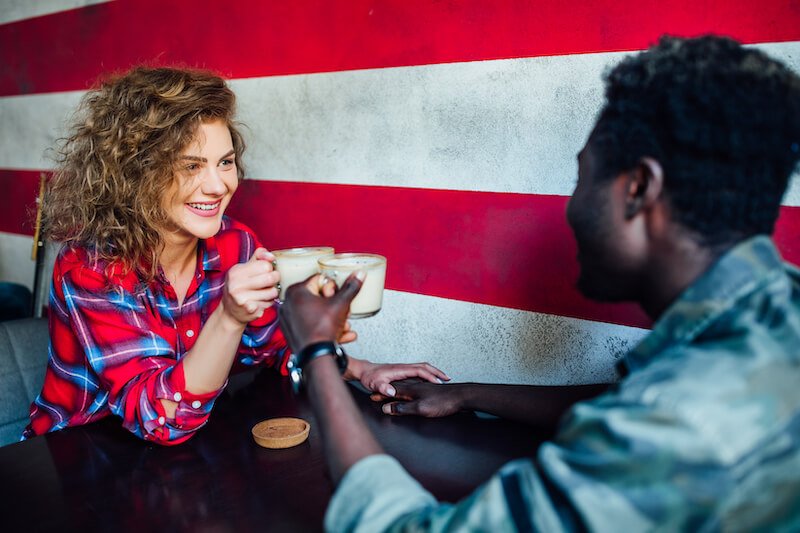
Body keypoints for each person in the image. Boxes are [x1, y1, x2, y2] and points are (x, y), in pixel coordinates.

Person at [278, 35, 800, 531]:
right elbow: (635, 399)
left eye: (583, 177)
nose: (571, 206)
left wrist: (318, 353)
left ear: (638, 188)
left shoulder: (682, 427)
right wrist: (470, 392)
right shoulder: (773, 314)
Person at [22, 66, 448, 446]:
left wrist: (361, 369)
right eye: (191, 166)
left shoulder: (235, 243)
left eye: (224, 162)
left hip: (195, 447)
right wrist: (229, 317)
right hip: (76, 458)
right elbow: (162, 420)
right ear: (133, 175)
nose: (217, 185)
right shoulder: (91, 268)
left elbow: (273, 347)